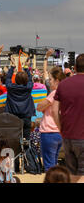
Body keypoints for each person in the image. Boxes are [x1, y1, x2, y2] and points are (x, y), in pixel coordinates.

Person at [52, 53, 84, 183]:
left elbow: (55, 110)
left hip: (68, 136)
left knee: (71, 173)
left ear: (75, 68)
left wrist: (61, 129)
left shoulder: (63, 84)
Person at [37, 51, 65, 172]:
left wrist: (42, 105)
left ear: (57, 80)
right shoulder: (65, 92)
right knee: (53, 164)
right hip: (59, 132)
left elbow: (40, 106)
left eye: (52, 80)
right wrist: (46, 58)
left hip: (49, 132)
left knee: (49, 166)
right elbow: (46, 76)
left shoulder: (54, 93)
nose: (50, 81)